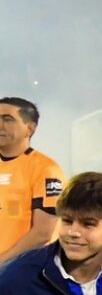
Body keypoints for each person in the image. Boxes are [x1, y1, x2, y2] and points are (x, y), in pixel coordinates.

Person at [0, 97, 62, 258]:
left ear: (29, 128)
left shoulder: (46, 169)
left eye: (7, 119)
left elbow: (43, 233)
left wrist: (3, 262)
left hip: (22, 267)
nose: (0, 125)